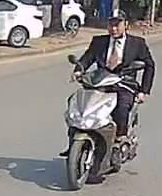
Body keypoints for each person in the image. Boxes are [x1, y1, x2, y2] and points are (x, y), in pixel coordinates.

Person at [64, 14, 156, 155]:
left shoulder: (137, 43)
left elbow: (149, 65)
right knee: (76, 102)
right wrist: (78, 70)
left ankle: (120, 138)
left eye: (117, 25)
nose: (113, 29)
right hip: (100, 82)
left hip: (124, 84)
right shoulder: (99, 42)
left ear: (125, 25)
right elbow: (87, 58)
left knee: (122, 106)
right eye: (111, 25)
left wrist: (144, 91)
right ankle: (73, 141)